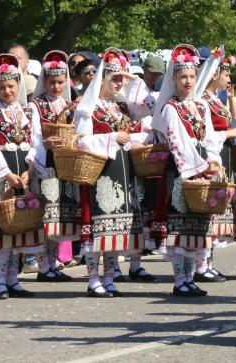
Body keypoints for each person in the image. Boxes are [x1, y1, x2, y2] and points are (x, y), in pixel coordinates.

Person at [73, 48, 155, 297]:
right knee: (98, 230)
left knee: (115, 231)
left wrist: (135, 81)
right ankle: (93, 279)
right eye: (115, 78)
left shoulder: (119, 107)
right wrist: (112, 138)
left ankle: (109, 277)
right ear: (102, 78)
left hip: (122, 171)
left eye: (122, 78)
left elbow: (151, 109)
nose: (119, 83)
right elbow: (81, 141)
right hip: (100, 174)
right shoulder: (88, 108)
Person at [151, 45, 224, 298]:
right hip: (182, 171)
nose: (188, 81)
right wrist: (197, 168)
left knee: (197, 227)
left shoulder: (201, 106)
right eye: (183, 77)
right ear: (174, 78)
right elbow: (177, 143)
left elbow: (211, 138)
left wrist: (214, 161)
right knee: (180, 226)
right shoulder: (171, 108)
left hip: (202, 166)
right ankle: (179, 279)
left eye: (192, 76)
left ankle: (190, 278)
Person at [0, 54, 45, 298]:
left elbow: (36, 142)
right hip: (2, 175)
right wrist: (8, 175)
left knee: (19, 227)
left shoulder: (27, 112)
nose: (7, 91)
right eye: (1, 87)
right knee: (2, 228)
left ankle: (14, 279)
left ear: (19, 86)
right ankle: (0, 281)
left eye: (11, 86)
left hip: (23, 173)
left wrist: (29, 169)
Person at [194, 49, 236, 282]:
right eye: (225, 74)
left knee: (216, 210)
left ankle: (207, 262)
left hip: (222, 155)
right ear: (213, 74)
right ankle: (201, 264)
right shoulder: (202, 100)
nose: (228, 79)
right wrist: (231, 132)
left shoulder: (216, 99)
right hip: (210, 155)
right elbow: (205, 135)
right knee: (209, 211)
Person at [29, 50, 78, 282]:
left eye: (60, 82)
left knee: (57, 217)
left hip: (64, 166)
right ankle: (43, 266)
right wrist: (44, 143)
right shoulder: (36, 106)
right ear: (44, 82)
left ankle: (52, 262)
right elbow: (33, 135)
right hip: (45, 163)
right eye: (52, 82)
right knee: (44, 216)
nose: (56, 86)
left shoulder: (69, 105)